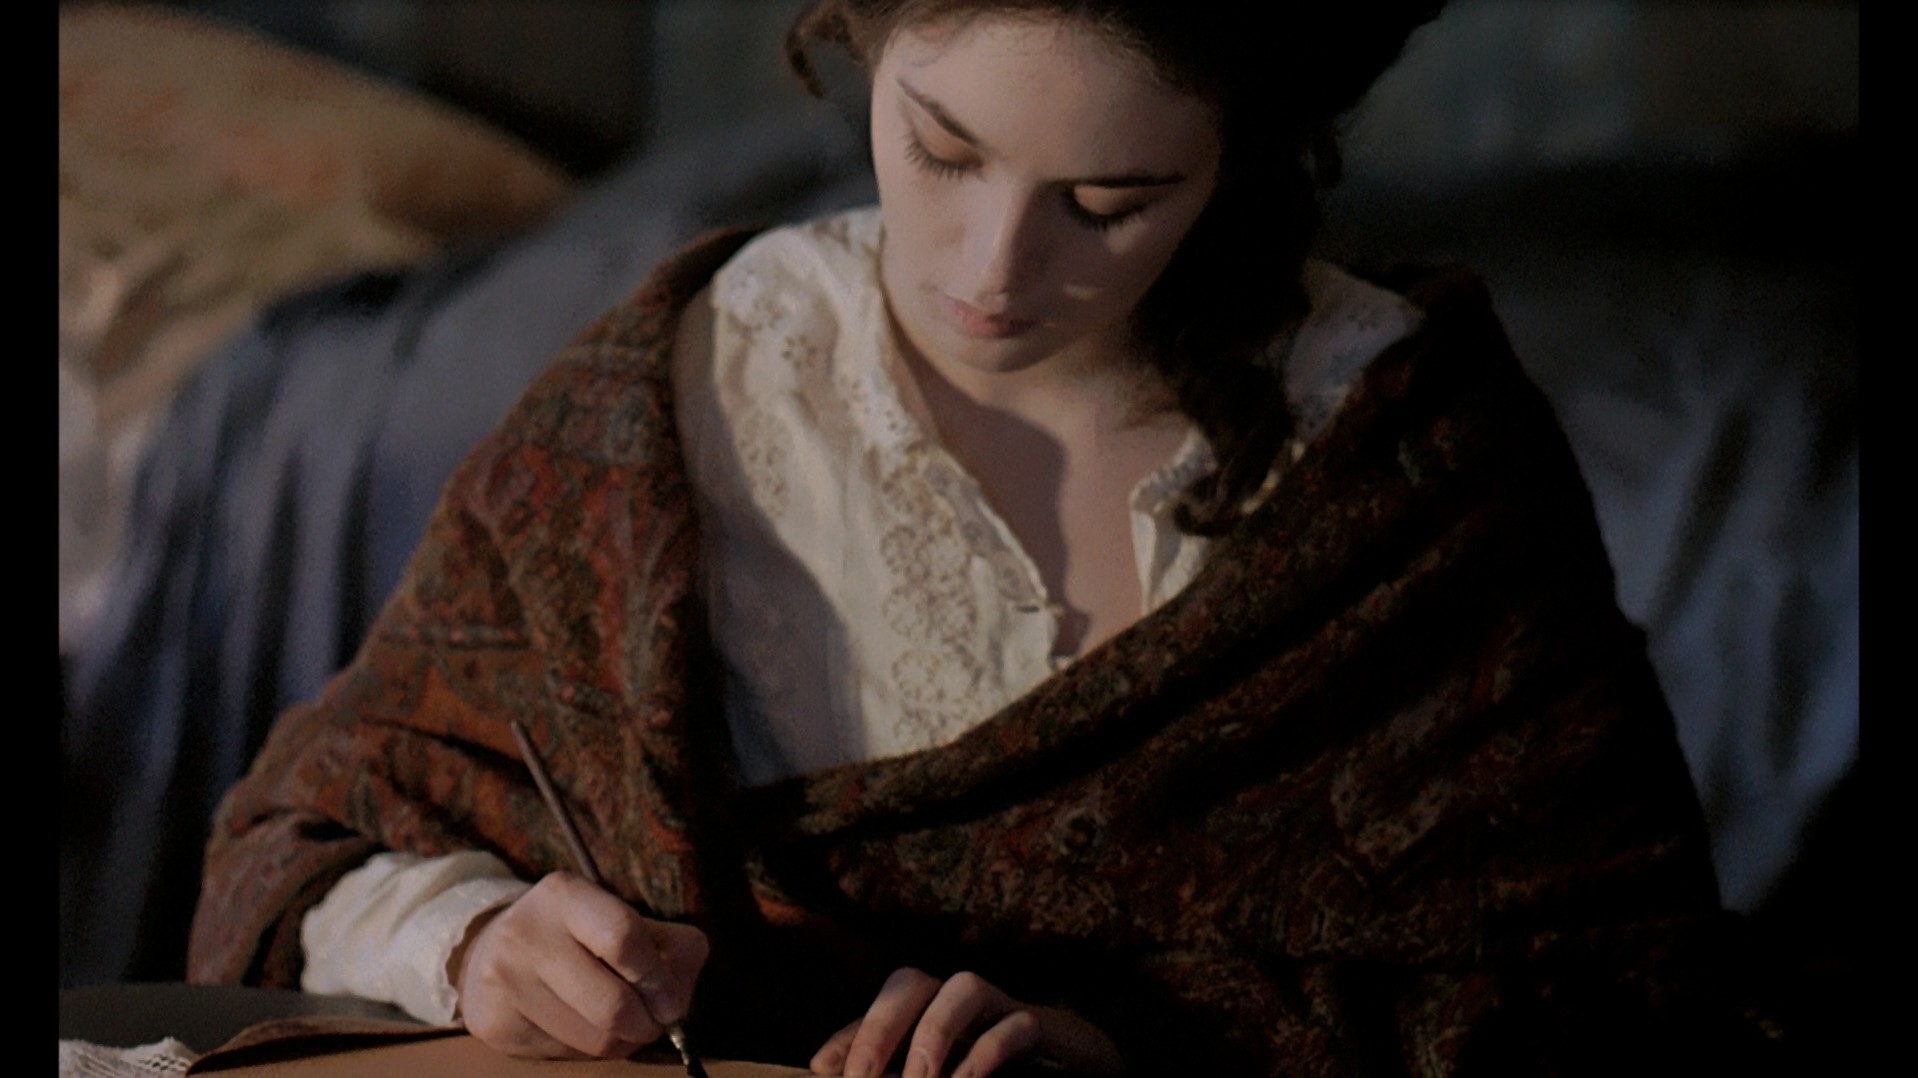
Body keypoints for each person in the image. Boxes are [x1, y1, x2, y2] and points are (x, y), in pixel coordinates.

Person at [187, 1, 1746, 1073]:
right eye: (940, 152)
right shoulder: (670, 406)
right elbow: (294, 845)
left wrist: (1141, 1048)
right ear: (857, 48)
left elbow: (1626, 1002)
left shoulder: (1406, 457)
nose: (994, 270)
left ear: (1239, 157)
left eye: (1110, 200)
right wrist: (471, 941)